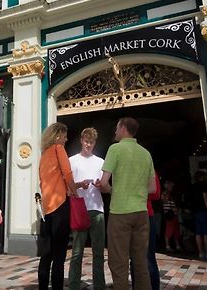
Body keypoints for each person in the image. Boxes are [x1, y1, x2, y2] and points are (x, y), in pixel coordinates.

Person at [96, 117, 155, 290]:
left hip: (120, 213)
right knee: (140, 263)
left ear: (123, 128)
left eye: (116, 128)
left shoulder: (115, 149)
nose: (114, 132)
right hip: (141, 213)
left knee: (118, 262)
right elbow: (152, 188)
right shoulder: (145, 153)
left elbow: (104, 182)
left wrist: (111, 190)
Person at [38, 122, 78, 290]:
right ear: (58, 135)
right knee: (59, 255)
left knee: (46, 254)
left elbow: (44, 182)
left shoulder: (44, 155)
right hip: (60, 206)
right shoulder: (58, 149)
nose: (67, 139)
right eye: (65, 135)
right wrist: (74, 191)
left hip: (47, 209)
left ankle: (42, 287)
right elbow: (67, 173)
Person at [68, 127, 106, 290]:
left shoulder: (100, 162)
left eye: (91, 142)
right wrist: (79, 184)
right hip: (79, 208)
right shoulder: (72, 160)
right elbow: (67, 187)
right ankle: (74, 285)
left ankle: (99, 285)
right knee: (77, 252)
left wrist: (100, 185)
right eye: (86, 141)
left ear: (95, 143)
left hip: (97, 208)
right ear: (81, 140)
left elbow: (106, 187)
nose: (88, 145)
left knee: (98, 252)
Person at [190, 170, 207, 259]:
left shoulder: (192, 187)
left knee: (198, 233)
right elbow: (206, 199)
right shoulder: (203, 186)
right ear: (202, 177)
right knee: (206, 233)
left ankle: (200, 253)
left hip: (195, 212)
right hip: (203, 211)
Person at [162, 180, 182, 252]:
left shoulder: (170, 195)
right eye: (171, 186)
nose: (172, 188)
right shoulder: (165, 194)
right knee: (169, 230)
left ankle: (177, 245)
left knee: (176, 230)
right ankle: (168, 246)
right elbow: (165, 202)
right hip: (170, 215)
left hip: (174, 215)